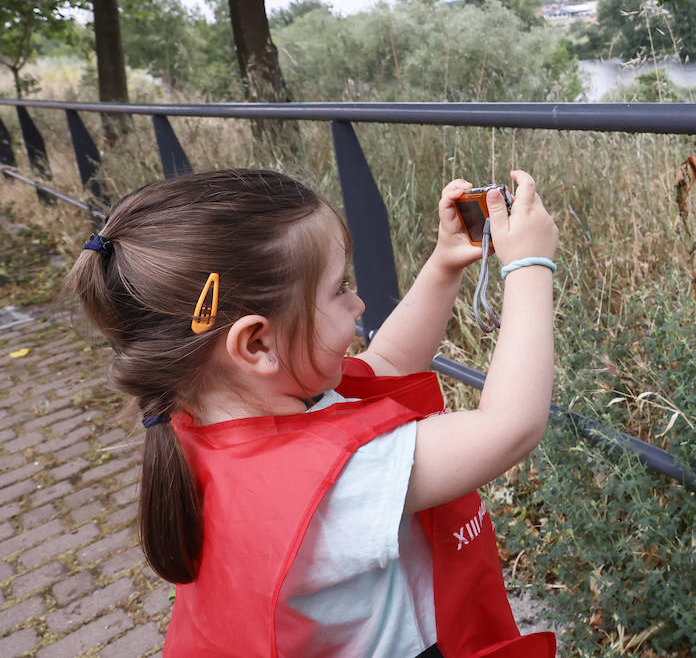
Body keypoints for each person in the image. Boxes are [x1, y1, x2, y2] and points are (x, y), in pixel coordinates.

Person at [66, 168, 559, 658]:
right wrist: (531, 266)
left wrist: (444, 264)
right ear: (256, 343)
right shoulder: (335, 482)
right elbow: (508, 427)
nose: (359, 303)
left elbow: (383, 364)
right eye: (339, 288)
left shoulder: (201, 420)